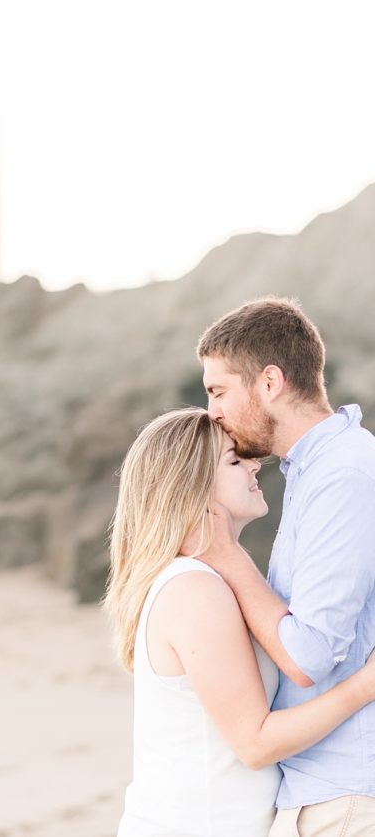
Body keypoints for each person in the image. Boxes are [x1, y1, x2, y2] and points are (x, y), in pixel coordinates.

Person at [103, 407, 375, 837]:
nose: (253, 464)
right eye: (233, 460)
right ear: (190, 488)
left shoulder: (211, 580)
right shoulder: (195, 591)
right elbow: (256, 742)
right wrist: (365, 684)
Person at [195, 297, 375, 836]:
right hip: (328, 793)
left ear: (270, 382)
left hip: (344, 798)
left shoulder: (341, 474)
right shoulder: (318, 468)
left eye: (219, 391)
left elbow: (307, 654)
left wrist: (225, 554)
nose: (213, 412)